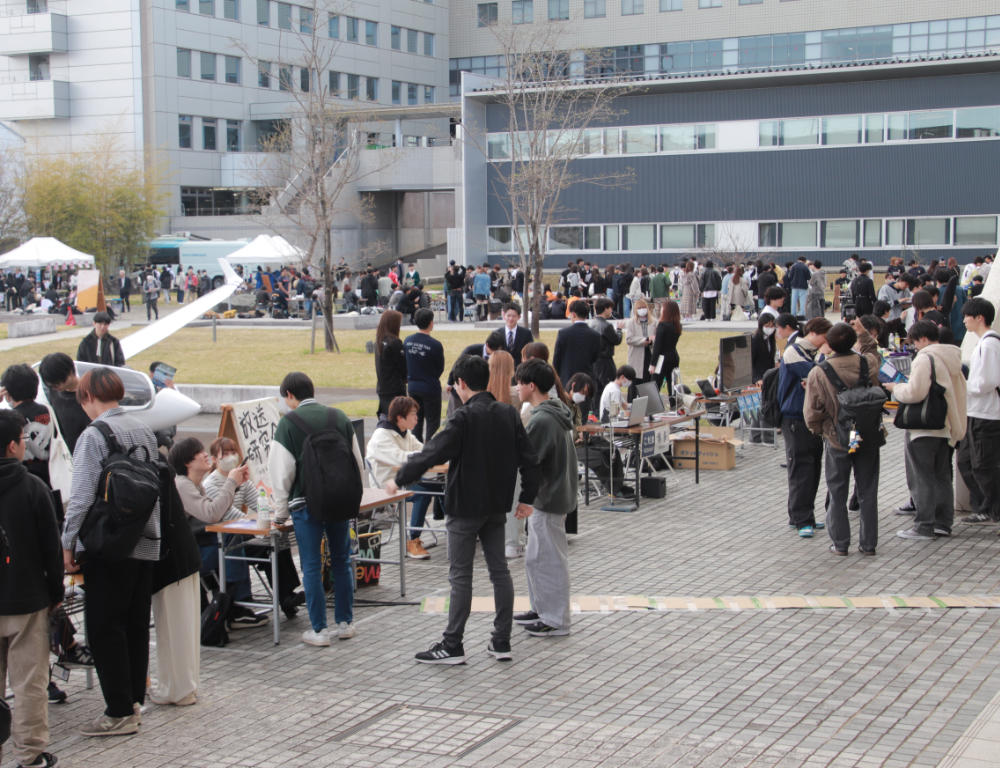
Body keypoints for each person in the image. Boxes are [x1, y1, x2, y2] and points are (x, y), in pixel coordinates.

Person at [387, 355, 540, 664]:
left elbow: (433, 452)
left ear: (461, 383)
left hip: (464, 507)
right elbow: (529, 459)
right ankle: (501, 640)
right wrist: (527, 497)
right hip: (496, 505)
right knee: (500, 571)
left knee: (461, 576)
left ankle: (453, 643)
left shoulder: (463, 417)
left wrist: (400, 478)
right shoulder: (508, 414)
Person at [62, 368, 160, 737]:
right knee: (135, 625)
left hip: (109, 545)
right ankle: (133, 702)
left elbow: (82, 497)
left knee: (104, 628)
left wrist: (68, 543)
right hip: (146, 541)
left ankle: (118, 711)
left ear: (87, 396)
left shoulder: (94, 435)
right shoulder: (144, 429)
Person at [269, 372, 364, 647]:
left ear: (289, 395)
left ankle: (319, 630)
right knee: (341, 560)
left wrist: (280, 513)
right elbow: (357, 462)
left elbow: (282, 473)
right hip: (340, 500)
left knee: (311, 565)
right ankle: (345, 623)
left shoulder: (288, 424)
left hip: (306, 504)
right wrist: (356, 498)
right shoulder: (339, 417)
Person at [0, 410, 62, 768]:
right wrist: (55, 593)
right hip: (26, 598)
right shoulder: (33, 487)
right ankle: (29, 754)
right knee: (29, 683)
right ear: (12, 445)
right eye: (23, 439)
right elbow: (51, 549)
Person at [170, 437, 266, 631]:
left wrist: (235, 485)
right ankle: (235, 604)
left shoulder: (195, 484)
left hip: (201, 544)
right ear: (187, 462)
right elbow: (212, 514)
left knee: (259, 544)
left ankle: (248, 601)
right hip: (188, 554)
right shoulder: (182, 485)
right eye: (200, 452)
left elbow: (216, 513)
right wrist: (231, 482)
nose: (205, 455)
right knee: (232, 540)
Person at [803, 322, 883, 555]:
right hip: (867, 434)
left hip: (838, 436)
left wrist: (821, 430)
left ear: (828, 344)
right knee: (868, 491)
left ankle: (840, 543)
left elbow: (811, 412)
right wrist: (863, 333)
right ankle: (868, 544)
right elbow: (874, 353)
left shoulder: (819, 372)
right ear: (853, 341)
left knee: (837, 491)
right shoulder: (867, 363)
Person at [884, 321, 967, 540]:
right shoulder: (952, 357)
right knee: (942, 477)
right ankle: (943, 523)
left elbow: (915, 392)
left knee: (922, 477)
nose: (915, 346)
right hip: (947, 426)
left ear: (922, 339)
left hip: (924, 428)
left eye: (914, 342)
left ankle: (924, 526)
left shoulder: (925, 358)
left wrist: (896, 388)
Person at [203, 437, 303, 615]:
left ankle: (287, 595)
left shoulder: (243, 481)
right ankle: (283, 598)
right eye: (225, 454)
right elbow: (229, 515)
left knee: (277, 539)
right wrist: (260, 524)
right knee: (269, 543)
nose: (230, 457)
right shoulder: (210, 484)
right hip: (226, 540)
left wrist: (275, 515)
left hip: (244, 534)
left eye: (233, 452)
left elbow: (260, 503)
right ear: (214, 459)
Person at [513, 359, 576, 637]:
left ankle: (556, 619)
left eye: (519, 383)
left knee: (549, 560)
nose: (516, 388)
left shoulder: (542, 420)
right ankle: (540, 608)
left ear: (531, 386)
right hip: (552, 495)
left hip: (548, 498)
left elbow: (528, 460)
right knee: (536, 558)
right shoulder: (556, 410)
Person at [367, 396, 443, 561]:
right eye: (413, 414)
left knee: (444, 486)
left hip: (407, 481)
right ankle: (412, 541)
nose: (417, 418)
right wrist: (426, 456)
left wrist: (436, 453)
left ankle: (457, 527)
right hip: (387, 486)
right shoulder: (381, 437)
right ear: (400, 418)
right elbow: (400, 458)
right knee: (422, 495)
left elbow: (422, 450)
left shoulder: (405, 433)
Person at [777, 317, 832, 538]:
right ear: (815, 333)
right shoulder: (794, 351)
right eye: (826, 337)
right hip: (795, 418)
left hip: (811, 417)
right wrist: (823, 355)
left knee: (813, 467)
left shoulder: (811, 352)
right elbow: (819, 373)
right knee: (801, 467)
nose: (828, 342)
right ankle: (801, 519)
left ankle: (802, 514)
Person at [956, 298, 1000, 525]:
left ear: (979, 318)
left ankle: (991, 508)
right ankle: (984, 506)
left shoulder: (989, 344)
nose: (964, 320)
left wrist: (964, 387)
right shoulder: (983, 343)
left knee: (983, 465)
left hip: (987, 414)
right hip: (976, 412)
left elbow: (987, 382)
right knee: (967, 462)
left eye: (967, 316)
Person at [0, 364, 52, 487]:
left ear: (7, 392)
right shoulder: (47, 410)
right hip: (51, 477)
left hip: (23, 481)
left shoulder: (10, 420)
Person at [403, 308, 444, 442]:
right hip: (430, 386)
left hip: (413, 386)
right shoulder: (435, 345)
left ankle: (417, 448)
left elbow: (405, 362)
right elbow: (440, 368)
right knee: (433, 423)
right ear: (431, 323)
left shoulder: (408, 341)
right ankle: (431, 449)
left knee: (416, 420)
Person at [552, 300, 600, 389]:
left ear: (573, 314)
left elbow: (557, 358)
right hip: (587, 379)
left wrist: (557, 376)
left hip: (567, 378)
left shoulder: (563, 333)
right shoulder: (595, 335)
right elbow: (596, 358)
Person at [374, 310, 407, 419]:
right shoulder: (395, 343)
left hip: (383, 387)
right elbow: (403, 367)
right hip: (395, 388)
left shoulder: (379, 341)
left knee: (386, 417)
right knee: (398, 419)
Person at [589, 297, 624, 398]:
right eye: (610, 308)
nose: (611, 310)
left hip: (594, 361)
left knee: (597, 390)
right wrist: (619, 330)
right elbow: (616, 340)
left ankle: (598, 407)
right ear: (605, 309)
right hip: (605, 361)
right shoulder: (606, 325)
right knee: (610, 387)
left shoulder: (592, 323)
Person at [649, 299, 682, 395]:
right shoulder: (677, 325)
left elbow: (658, 347)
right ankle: (674, 402)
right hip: (674, 356)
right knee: (672, 385)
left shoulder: (662, 325)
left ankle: (653, 403)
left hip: (662, 359)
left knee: (655, 384)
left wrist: (652, 364)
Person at [624, 298, 654, 400]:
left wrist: (652, 340)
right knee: (634, 383)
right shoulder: (631, 322)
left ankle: (647, 406)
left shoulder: (653, 322)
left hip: (649, 355)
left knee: (647, 383)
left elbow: (657, 337)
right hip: (636, 356)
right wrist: (643, 340)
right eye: (639, 308)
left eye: (644, 307)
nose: (642, 310)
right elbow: (629, 339)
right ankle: (631, 405)